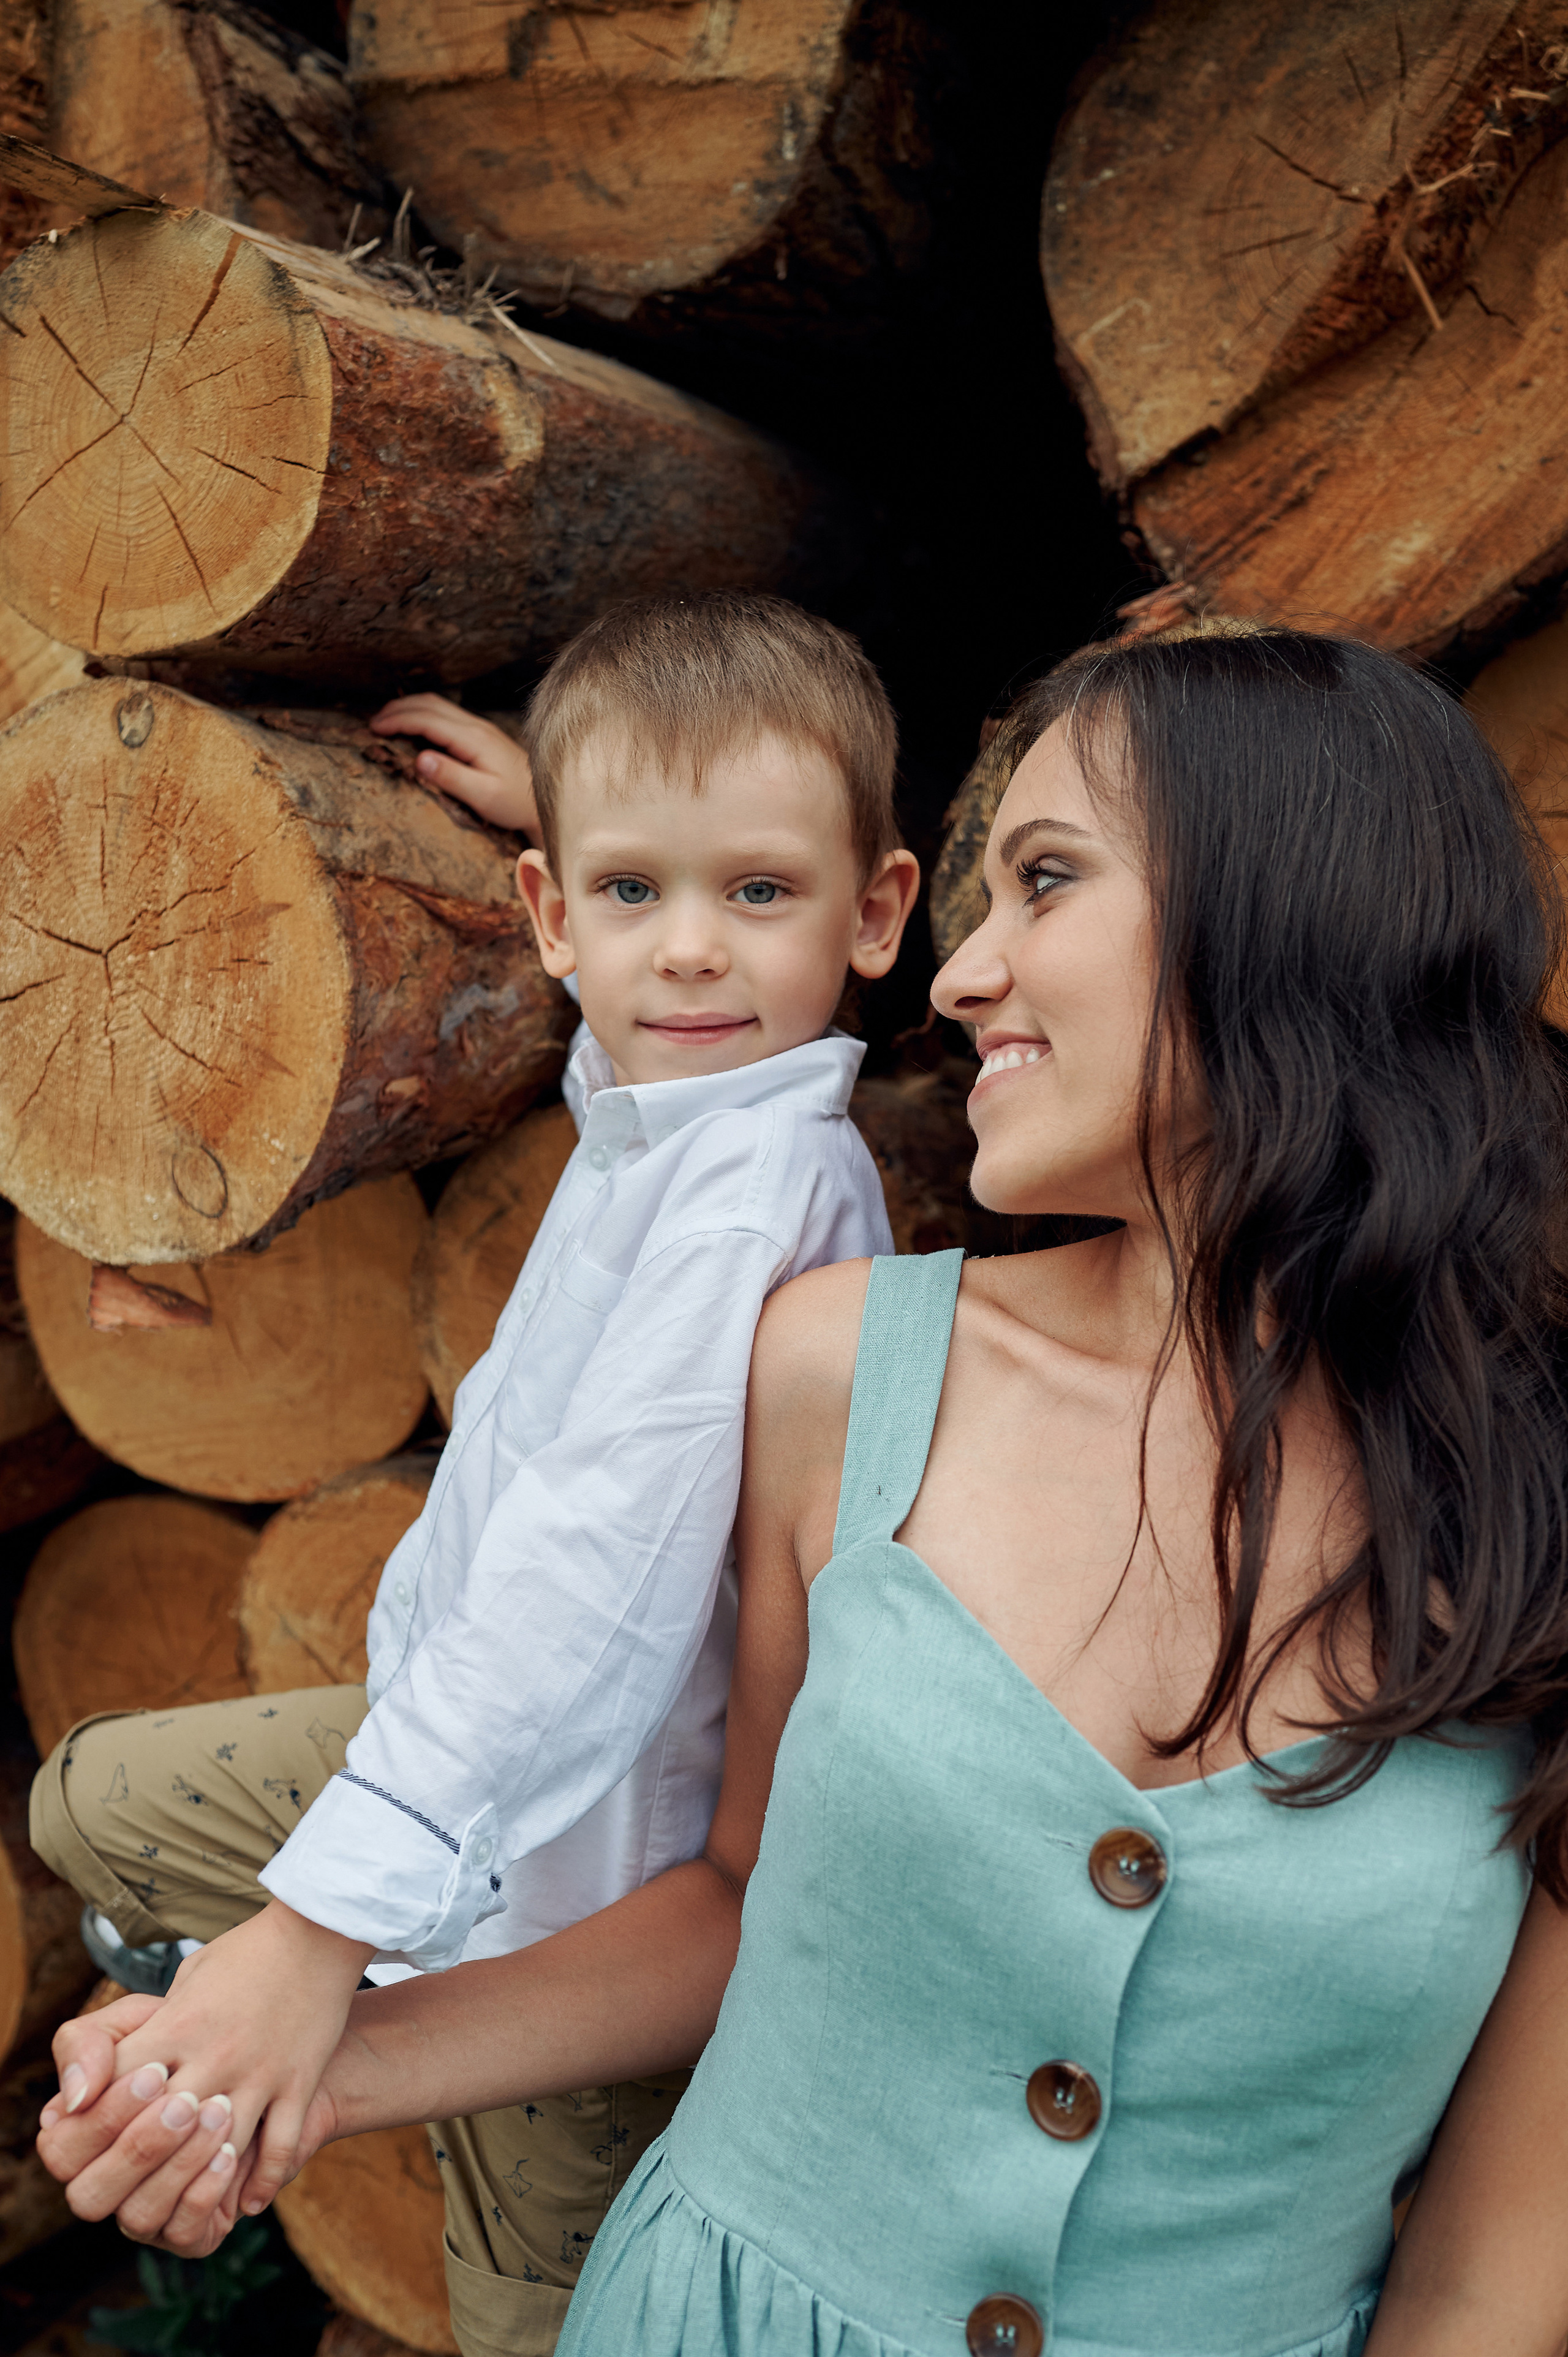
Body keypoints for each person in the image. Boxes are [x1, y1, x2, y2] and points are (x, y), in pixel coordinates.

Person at [38, 624, 1568, 2357]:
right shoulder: (834, 1369)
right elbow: (730, 1905)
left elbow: (1484, 2284)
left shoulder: (1542, 1528)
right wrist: (254, 2079)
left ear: (1301, 911)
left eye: (1044, 881)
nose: (960, 976)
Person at [28, 592, 919, 2357]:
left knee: (540, 2318)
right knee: (87, 1805)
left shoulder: (760, 1203)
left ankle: (273, 2036)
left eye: (760, 894)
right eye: (631, 894)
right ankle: (221, 2020)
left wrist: (314, 1931)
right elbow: (641, 1027)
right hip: (456, 1776)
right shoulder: (682, 1100)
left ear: (879, 912)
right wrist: (572, 806)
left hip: (583, 1894)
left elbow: (588, 1588)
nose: (689, 956)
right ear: (555, 918)